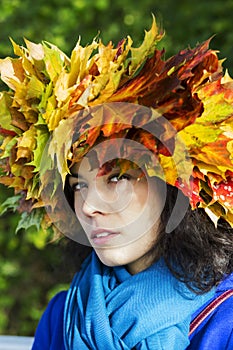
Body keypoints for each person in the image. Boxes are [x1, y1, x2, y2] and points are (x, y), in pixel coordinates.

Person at [0, 17, 233, 349]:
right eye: (79, 185)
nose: (89, 207)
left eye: (117, 177)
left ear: (175, 189)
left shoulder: (224, 322)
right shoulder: (62, 317)